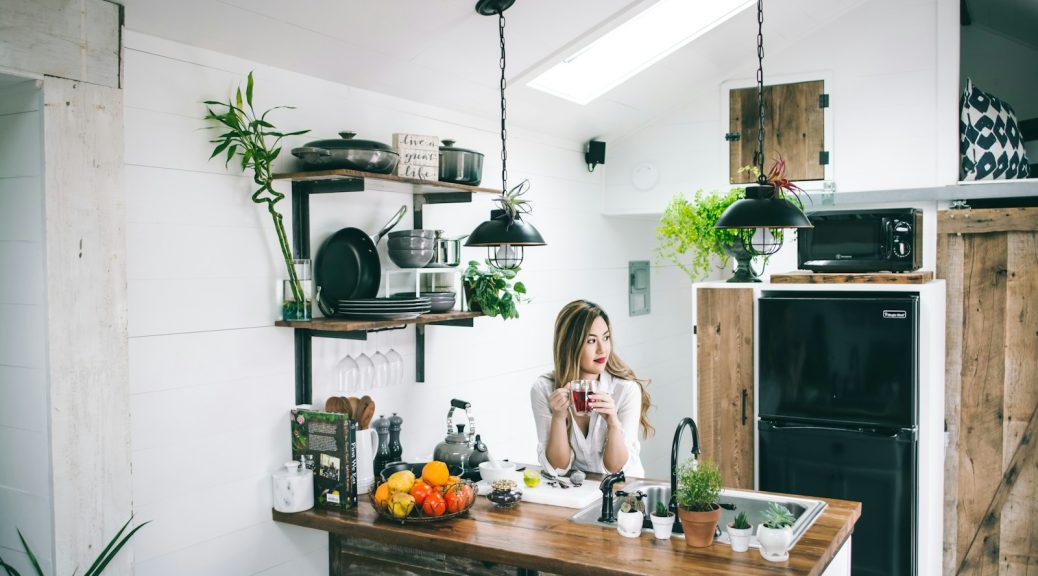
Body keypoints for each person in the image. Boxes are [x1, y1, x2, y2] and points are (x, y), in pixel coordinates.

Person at [531, 300, 654, 478]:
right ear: (570, 345)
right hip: (580, 492)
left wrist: (612, 422)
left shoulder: (626, 390)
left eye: (605, 338)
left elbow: (615, 469)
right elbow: (558, 468)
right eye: (591, 341)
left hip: (625, 491)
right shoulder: (544, 389)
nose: (602, 349)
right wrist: (559, 417)